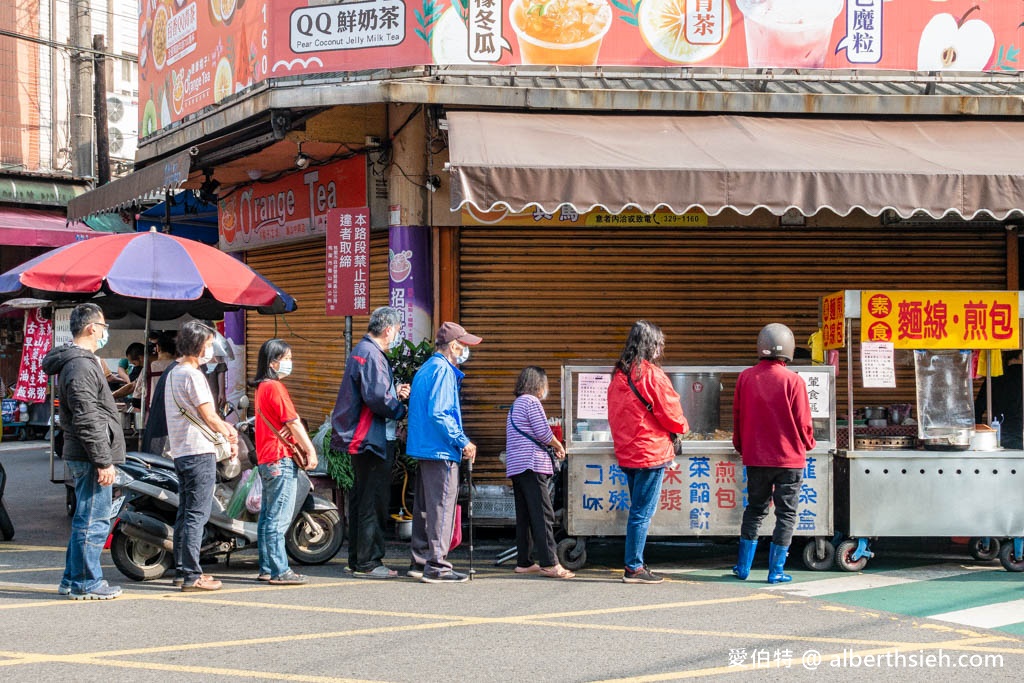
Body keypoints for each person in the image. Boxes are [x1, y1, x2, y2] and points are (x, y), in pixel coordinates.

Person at [42, 303, 125, 600]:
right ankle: (86, 582)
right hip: (90, 455)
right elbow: (86, 415)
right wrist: (103, 460)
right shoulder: (80, 365)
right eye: (104, 326)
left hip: (85, 452)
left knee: (85, 518)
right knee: (93, 520)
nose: (105, 332)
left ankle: (72, 579)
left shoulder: (81, 362)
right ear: (92, 328)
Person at [731, 323, 816, 584]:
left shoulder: (745, 377)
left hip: (756, 458)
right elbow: (804, 423)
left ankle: (743, 568)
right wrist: (808, 443)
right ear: (788, 350)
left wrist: (741, 445)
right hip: (789, 461)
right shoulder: (794, 380)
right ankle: (776, 571)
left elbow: (737, 417)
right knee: (786, 514)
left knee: (755, 510)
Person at [330, 307, 410, 579]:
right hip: (370, 439)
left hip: (361, 438)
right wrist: (400, 408)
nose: (397, 336)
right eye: (398, 331)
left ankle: (357, 560)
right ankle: (369, 563)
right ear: (388, 330)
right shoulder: (372, 355)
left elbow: (374, 392)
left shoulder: (361, 351)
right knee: (373, 501)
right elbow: (378, 399)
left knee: (362, 498)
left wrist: (392, 392)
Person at [607, 320, 688, 584]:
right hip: (650, 453)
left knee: (637, 509)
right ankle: (634, 568)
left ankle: (635, 562)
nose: (661, 348)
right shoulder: (651, 375)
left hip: (628, 452)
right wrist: (683, 428)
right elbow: (672, 413)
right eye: (659, 342)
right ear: (650, 344)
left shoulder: (619, 374)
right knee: (642, 512)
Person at [164, 320, 239, 592]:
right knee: (197, 514)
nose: (210, 350)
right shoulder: (193, 375)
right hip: (198, 453)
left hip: (182, 452)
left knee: (185, 513)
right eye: (207, 345)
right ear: (197, 346)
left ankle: (183, 571)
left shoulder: (174, 372)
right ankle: (192, 575)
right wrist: (229, 432)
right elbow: (209, 415)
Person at [406, 322, 482, 583]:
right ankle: (437, 566)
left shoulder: (427, 368)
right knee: (441, 508)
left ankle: (421, 561)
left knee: (426, 508)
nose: (465, 351)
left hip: (425, 448)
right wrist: (463, 441)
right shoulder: (443, 370)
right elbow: (440, 412)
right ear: (453, 346)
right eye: (464, 346)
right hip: (440, 450)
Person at [253, 339, 318, 585]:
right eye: (286, 358)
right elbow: (292, 422)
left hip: (267, 458)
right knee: (278, 518)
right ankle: (280, 570)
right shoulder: (275, 388)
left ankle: (267, 567)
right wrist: (310, 450)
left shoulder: (261, 387)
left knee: (268, 515)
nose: (290, 362)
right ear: (273, 362)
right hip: (279, 457)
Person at [505, 366, 572, 579]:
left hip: (517, 466)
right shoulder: (531, 402)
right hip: (532, 464)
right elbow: (543, 432)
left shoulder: (516, 404)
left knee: (525, 515)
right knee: (543, 515)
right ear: (538, 384)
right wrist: (558, 445)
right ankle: (550, 563)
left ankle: (524, 561)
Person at [975, 350, 1023, 450]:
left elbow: (977, 410)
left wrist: (978, 437)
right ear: (1021, 355)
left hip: (998, 438)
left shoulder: (994, 378)